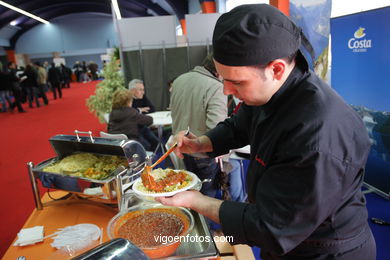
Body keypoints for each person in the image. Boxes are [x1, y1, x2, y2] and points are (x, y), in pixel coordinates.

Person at [157, 4, 375, 260]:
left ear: (277, 69)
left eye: (236, 82)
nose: (226, 90)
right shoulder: (268, 91)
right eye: (222, 78)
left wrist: (195, 200)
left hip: (323, 250)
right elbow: (240, 124)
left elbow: (273, 226)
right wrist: (201, 144)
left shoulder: (318, 135)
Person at [171, 54, 244, 200]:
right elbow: (217, 130)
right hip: (204, 156)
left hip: (180, 149)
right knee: (204, 199)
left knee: (187, 193)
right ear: (219, 71)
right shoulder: (216, 86)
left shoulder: (179, 80)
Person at [128, 79, 159, 151]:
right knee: (145, 146)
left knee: (156, 142)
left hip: (142, 126)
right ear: (132, 90)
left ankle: (151, 158)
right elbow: (130, 113)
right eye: (140, 90)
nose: (143, 92)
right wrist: (140, 110)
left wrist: (139, 111)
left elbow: (152, 109)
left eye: (143, 90)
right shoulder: (126, 99)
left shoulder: (143, 97)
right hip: (133, 130)